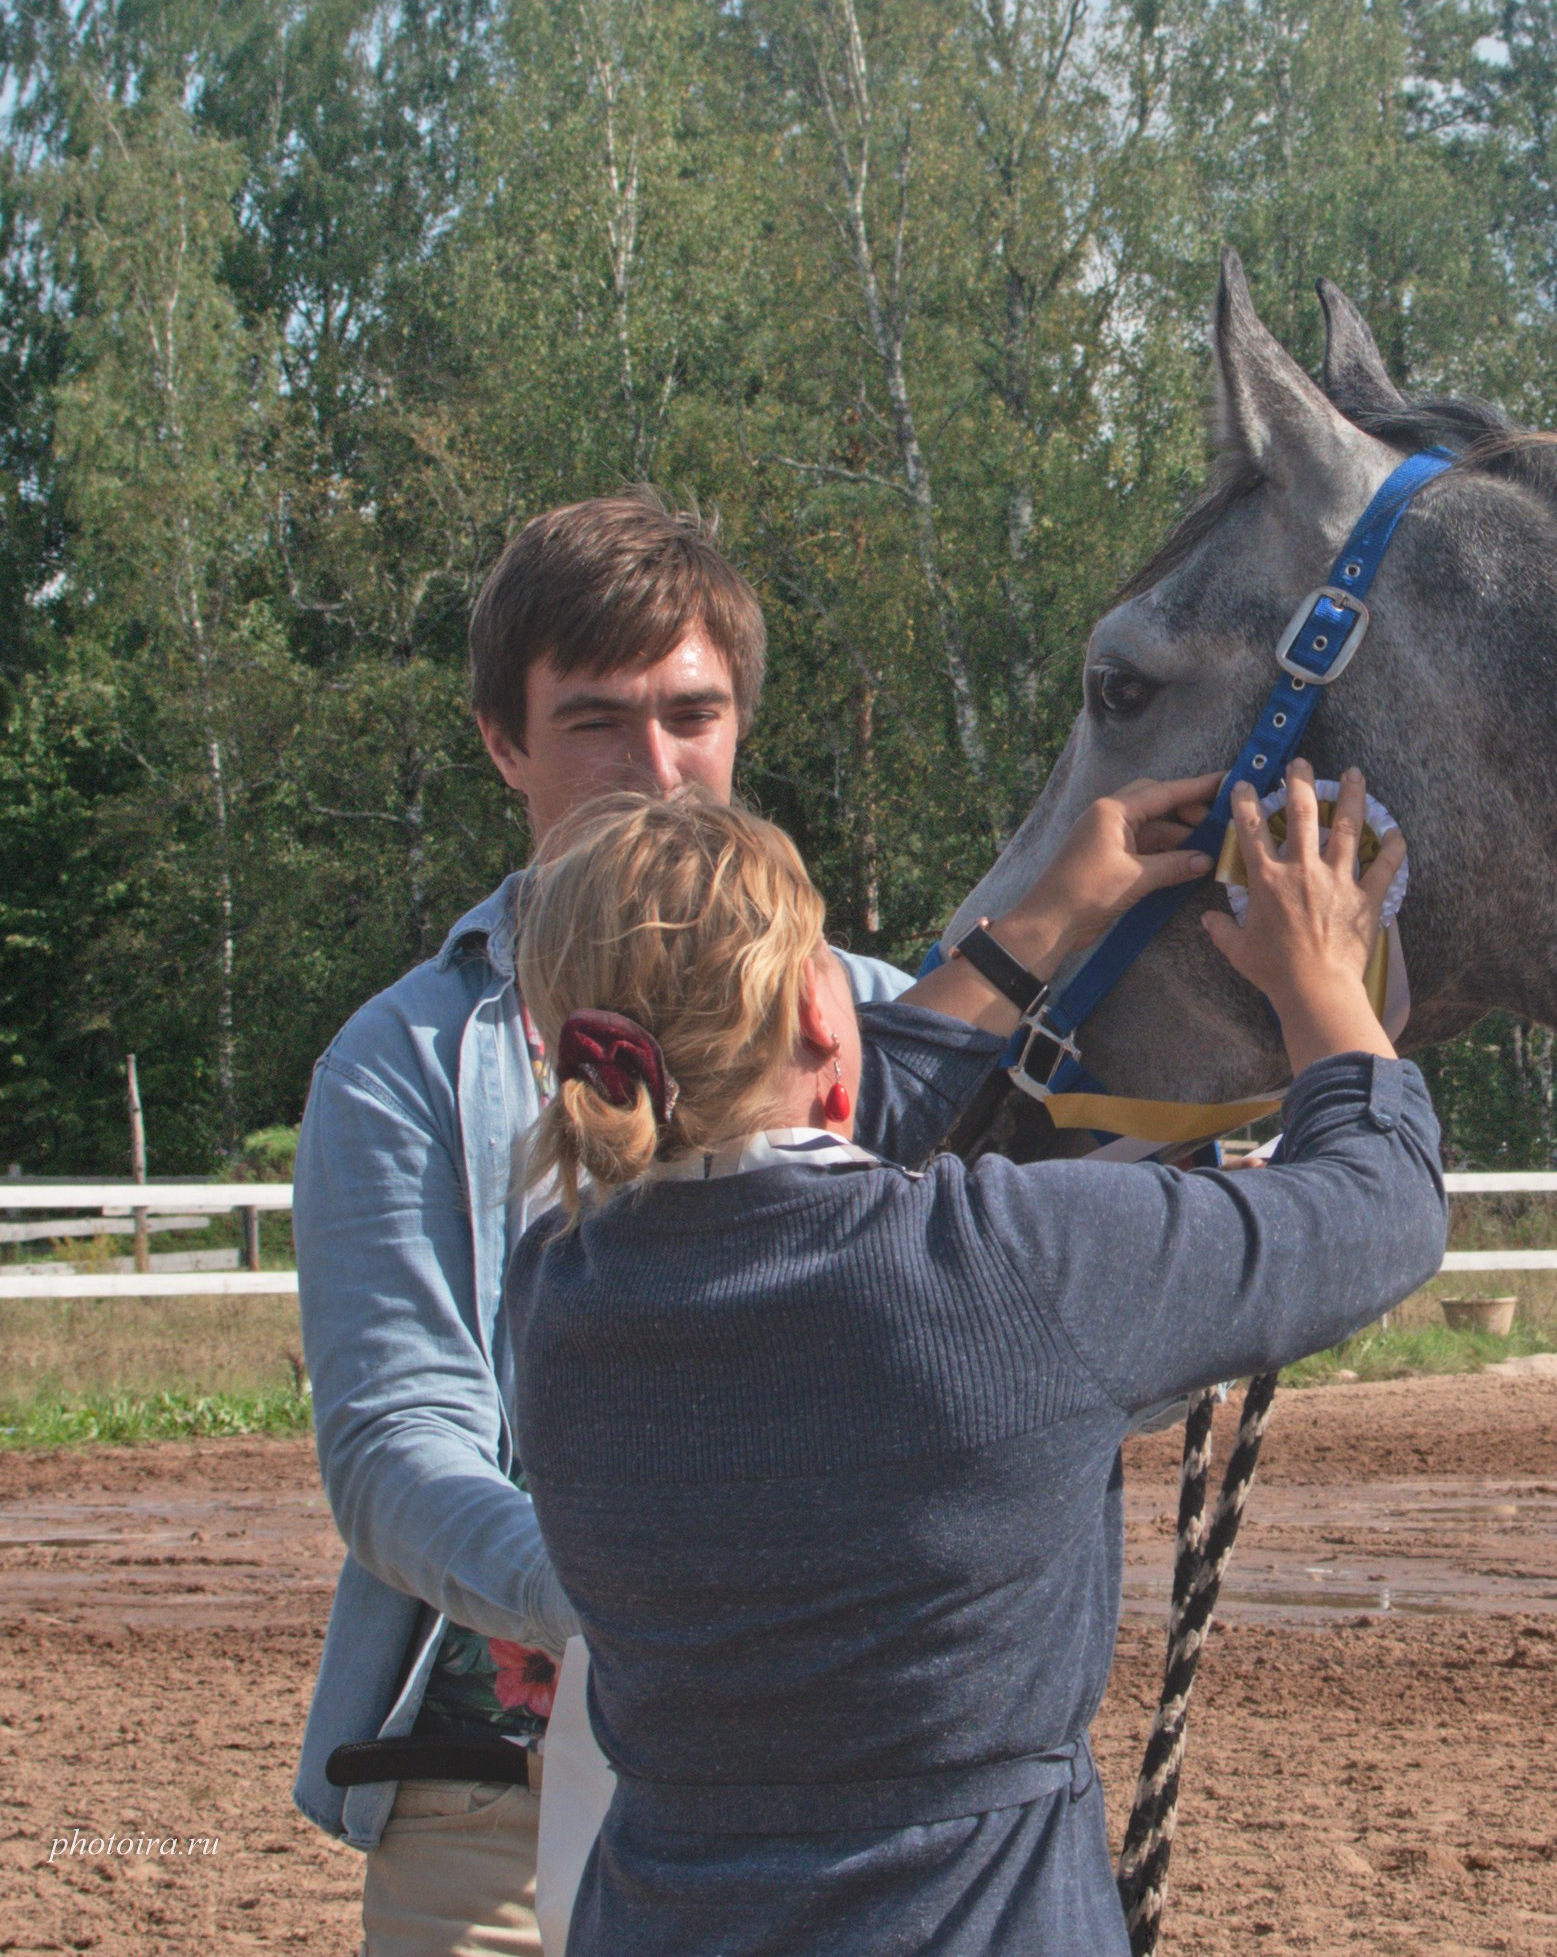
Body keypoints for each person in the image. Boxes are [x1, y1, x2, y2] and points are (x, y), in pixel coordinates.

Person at [293, 492, 1126, 1956]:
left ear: (742, 719)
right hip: (491, 1799)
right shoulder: (406, 1061)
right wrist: (626, 1598)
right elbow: (391, 1449)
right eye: (598, 724)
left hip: (840, 1797)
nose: (661, 771)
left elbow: (1010, 1320)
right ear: (504, 743)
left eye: (693, 714)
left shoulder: (869, 1010)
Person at [504, 759, 1447, 1956]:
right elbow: (1379, 1209)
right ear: (814, 1008)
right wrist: (1323, 980)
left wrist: (1039, 926)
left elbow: (788, 1139)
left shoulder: (561, 1286)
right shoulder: (1009, 1264)